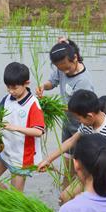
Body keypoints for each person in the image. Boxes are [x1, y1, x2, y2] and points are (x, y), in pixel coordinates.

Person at [38, 90, 106, 203]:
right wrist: (48, 160)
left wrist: (100, 180)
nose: (78, 122)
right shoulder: (89, 123)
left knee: (88, 204)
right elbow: (72, 140)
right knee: (65, 198)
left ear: (89, 116)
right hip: (90, 172)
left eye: (79, 118)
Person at [35, 38, 94, 187]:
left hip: (82, 127)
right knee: (68, 168)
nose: (64, 72)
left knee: (80, 168)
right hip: (67, 123)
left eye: (67, 68)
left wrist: (54, 107)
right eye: (60, 69)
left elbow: (82, 108)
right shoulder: (62, 67)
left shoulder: (83, 81)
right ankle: (65, 190)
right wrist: (43, 86)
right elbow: (52, 82)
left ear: (75, 58)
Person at [0, 62, 45, 192]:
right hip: (6, 151)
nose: (11, 91)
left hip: (21, 158)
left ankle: (13, 205)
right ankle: (7, 199)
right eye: (8, 87)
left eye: (14, 88)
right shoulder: (7, 99)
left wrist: (15, 127)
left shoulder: (32, 104)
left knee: (16, 196)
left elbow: (38, 131)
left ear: (26, 83)